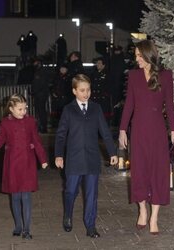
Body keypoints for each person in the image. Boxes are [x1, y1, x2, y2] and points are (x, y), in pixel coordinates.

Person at [119, 40, 174, 235]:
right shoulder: (134, 76)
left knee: (158, 173)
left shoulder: (165, 75)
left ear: (148, 56)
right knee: (139, 172)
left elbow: (169, 105)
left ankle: (154, 217)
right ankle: (142, 210)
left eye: (139, 56)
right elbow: (129, 104)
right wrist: (122, 130)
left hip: (157, 132)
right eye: (135, 55)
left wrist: (173, 130)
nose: (136, 59)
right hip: (137, 131)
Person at [54, 74, 118, 238]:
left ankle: (91, 226)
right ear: (74, 91)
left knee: (91, 195)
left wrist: (112, 152)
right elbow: (61, 135)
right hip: (74, 159)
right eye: (82, 90)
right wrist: (59, 155)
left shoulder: (96, 108)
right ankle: (68, 214)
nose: (86, 93)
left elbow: (105, 132)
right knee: (70, 191)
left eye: (88, 90)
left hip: (91, 159)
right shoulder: (68, 110)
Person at [0, 94, 48, 239]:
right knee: (15, 197)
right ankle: (18, 226)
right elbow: (0, 140)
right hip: (12, 164)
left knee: (26, 197)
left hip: (27, 163)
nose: (23, 112)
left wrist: (43, 159)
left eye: (25, 108)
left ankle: (27, 229)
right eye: (20, 109)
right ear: (11, 109)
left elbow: (37, 140)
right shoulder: (5, 123)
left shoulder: (31, 121)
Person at [90, 57, 112, 123]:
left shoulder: (107, 74)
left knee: (104, 118)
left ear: (103, 65)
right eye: (97, 63)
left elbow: (109, 85)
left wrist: (106, 94)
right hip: (94, 98)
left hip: (103, 99)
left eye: (99, 63)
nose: (97, 64)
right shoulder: (93, 74)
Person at [31, 57, 50, 133]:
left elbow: (41, 83)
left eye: (35, 62)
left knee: (41, 111)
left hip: (41, 94)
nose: (34, 64)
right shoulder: (38, 71)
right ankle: (41, 126)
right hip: (39, 94)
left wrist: (35, 91)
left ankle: (43, 126)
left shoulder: (42, 71)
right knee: (39, 111)